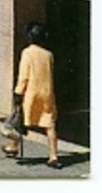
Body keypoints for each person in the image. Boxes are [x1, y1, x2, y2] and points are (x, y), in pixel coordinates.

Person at [6, 22, 61, 167]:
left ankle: (14, 146)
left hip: (31, 93)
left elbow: (23, 77)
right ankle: (53, 156)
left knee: (20, 120)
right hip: (47, 93)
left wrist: (18, 93)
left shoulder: (27, 52)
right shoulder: (49, 54)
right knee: (50, 125)